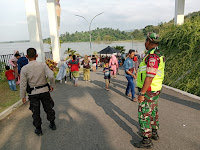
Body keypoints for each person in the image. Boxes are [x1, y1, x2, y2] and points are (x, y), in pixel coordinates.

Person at [133, 33, 165, 149]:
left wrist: (142, 93)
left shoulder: (152, 57)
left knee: (144, 113)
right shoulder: (158, 54)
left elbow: (149, 77)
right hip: (155, 89)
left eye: (145, 41)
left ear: (148, 41)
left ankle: (146, 139)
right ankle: (154, 132)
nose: (144, 43)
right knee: (153, 111)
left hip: (148, 89)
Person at [20, 48, 56, 136]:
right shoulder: (43, 65)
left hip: (33, 93)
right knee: (48, 108)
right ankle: (52, 123)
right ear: (37, 55)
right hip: (44, 91)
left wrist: (23, 96)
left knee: (35, 111)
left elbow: (23, 84)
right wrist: (52, 85)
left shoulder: (24, 69)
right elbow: (51, 76)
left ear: (27, 56)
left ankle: (38, 129)